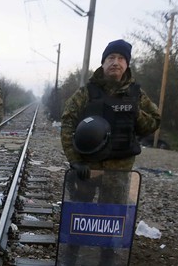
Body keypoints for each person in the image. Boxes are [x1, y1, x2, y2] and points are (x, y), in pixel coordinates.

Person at [60, 39, 161, 179]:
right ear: (103, 62)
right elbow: (67, 125)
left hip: (120, 170)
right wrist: (75, 161)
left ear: (126, 64)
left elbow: (153, 124)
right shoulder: (86, 93)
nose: (115, 63)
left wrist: (136, 113)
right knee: (80, 202)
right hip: (88, 167)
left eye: (121, 58)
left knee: (113, 202)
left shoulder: (137, 94)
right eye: (111, 57)